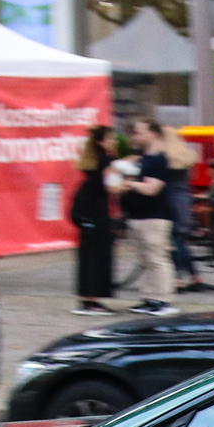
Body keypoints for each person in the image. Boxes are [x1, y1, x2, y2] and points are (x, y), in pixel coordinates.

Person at [115, 119, 202, 314]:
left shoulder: (160, 159)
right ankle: (149, 297)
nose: (134, 136)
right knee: (144, 259)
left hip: (155, 216)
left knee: (157, 258)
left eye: (138, 132)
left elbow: (152, 188)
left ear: (152, 133)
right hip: (137, 214)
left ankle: (164, 299)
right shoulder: (141, 158)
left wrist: (130, 185)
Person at [70, 126, 121, 316]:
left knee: (87, 255)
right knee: (99, 256)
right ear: (101, 141)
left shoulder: (91, 161)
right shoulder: (107, 160)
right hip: (98, 213)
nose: (114, 141)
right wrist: (129, 183)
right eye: (110, 138)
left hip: (85, 213)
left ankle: (86, 299)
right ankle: (94, 300)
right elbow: (113, 187)